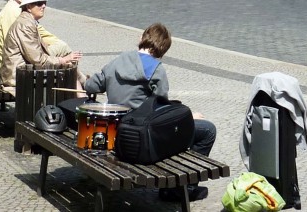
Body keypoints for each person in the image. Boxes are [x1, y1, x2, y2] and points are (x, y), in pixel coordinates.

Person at [83, 23, 217, 202]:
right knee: (208, 130)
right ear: (163, 49)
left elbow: (91, 86)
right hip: (141, 135)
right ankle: (182, 189)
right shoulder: (156, 69)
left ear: (141, 38)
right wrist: (189, 117)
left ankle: (179, 186)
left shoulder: (117, 61)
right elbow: (162, 110)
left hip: (115, 131)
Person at [0, 0, 82, 91]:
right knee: (67, 67)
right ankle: (83, 92)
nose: (43, 6)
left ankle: (84, 88)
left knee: (64, 53)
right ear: (28, 7)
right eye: (39, 3)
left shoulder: (27, 21)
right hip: (20, 77)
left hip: (24, 70)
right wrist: (63, 60)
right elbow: (38, 60)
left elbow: (36, 55)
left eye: (44, 3)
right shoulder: (25, 26)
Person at [0, 0, 73, 78]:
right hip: (14, 68)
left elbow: (39, 34)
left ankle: (82, 83)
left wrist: (52, 43)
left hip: (17, 61)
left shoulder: (19, 9)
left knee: (62, 49)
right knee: (63, 49)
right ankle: (83, 85)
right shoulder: (15, 11)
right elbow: (29, 52)